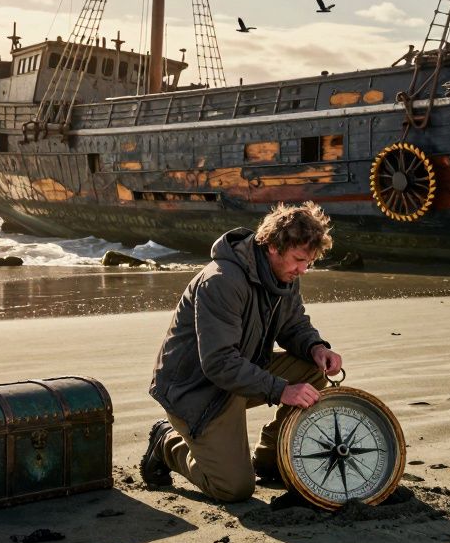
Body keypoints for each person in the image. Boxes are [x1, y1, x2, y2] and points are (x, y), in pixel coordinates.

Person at [140, 202, 343, 501]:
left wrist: (316, 347)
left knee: (312, 370)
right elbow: (219, 362)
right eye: (299, 260)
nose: (303, 269)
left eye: (309, 262)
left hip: (240, 373)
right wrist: (281, 390)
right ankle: (167, 443)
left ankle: (272, 456)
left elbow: (293, 323)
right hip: (197, 390)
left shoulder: (285, 275)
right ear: (273, 246)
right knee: (234, 488)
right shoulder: (221, 280)